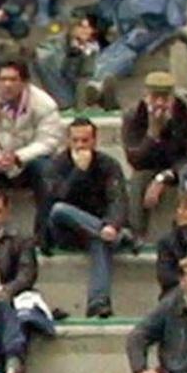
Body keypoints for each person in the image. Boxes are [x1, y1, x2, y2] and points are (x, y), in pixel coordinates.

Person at [45, 117, 132, 319]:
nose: (80, 146)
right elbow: (55, 198)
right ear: (68, 141)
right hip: (66, 231)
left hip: (98, 230)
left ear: (94, 140)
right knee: (59, 209)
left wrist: (111, 225)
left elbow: (118, 200)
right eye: (75, 141)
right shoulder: (57, 165)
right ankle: (119, 236)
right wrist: (79, 172)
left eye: (85, 140)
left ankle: (98, 302)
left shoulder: (108, 164)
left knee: (99, 239)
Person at [0, 60, 62, 240]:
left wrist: (19, 157)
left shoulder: (45, 104)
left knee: (47, 171)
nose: (7, 85)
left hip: (29, 162)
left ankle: (45, 236)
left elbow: (49, 141)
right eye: (3, 79)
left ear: (25, 82)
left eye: (13, 79)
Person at [122, 71, 187, 237]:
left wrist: (163, 177)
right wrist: (152, 133)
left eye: (165, 98)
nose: (160, 103)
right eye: (154, 98)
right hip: (148, 165)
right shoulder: (133, 115)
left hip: (178, 167)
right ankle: (136, 233)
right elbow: (135, 159)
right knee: (138, 179)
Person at [33, 7, 105, 111]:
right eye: (81, 27)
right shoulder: (55, 43)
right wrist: (74, 55)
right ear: (72, 28)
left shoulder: (93, 47)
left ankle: (100, 94)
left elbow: (88, 73)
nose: (86, 31)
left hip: (80, 83)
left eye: (89, 27)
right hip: (58, 83)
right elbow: (51, 68)